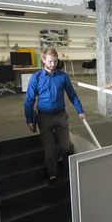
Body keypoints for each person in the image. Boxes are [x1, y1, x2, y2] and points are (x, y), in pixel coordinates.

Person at [24, 48, 86, 186]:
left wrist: (80, 110)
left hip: (60, 116)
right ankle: (52, 174)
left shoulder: (62, 77)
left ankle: (59, 154)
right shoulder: (36, 78)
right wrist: (29, 119)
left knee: (65, 146)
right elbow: (29, 100)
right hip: (44, 118)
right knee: (48, 149)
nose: (53, 64)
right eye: (50, 61)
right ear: (44, 60)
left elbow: (72, 95)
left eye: (55, 61)